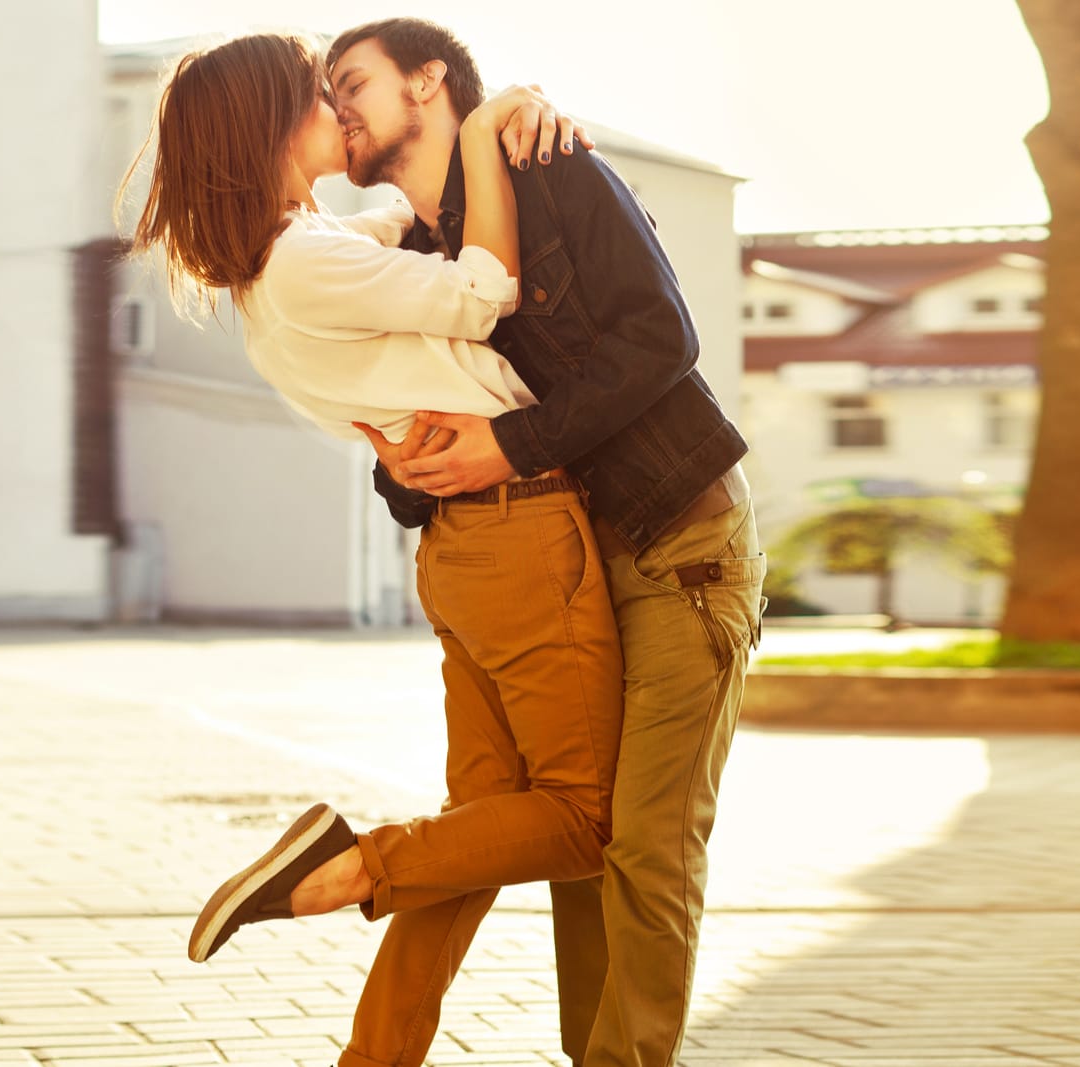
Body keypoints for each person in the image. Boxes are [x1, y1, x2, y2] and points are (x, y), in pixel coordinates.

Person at [118, 32, 626, 1063]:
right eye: (316, 95)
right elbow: (486, 292)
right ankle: (348, 864)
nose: (335, 110)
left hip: (475, 548)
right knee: (585, 818)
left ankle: (375, 1056)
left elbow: (395, 221)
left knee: (479, 829)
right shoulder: (305, 263)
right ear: (271, 126)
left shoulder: (297, 251)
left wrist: (459, 144)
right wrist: (484, 131)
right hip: (523, 531)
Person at [326, 18, 767, 1067]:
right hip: (563, 574)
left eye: (353, 82)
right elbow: (419, 467)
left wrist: (506, 446)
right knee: (585, 838)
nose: (337, 108)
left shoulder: (552, 164)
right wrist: (410, 465)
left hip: (678, 536)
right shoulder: (421, 260)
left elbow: (663, 337)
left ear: (428, 79)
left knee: (648, 846)